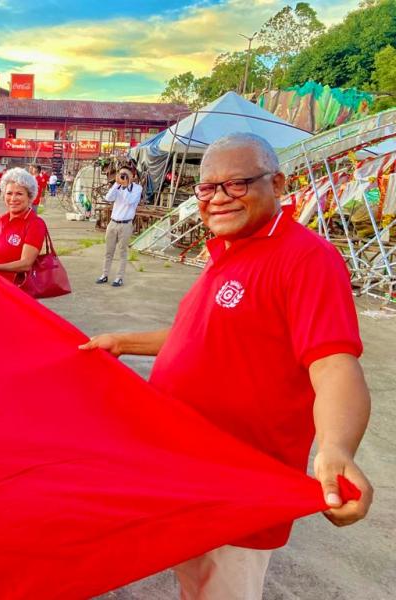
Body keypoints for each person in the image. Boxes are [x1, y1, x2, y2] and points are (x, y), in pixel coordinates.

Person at [80, 133, 373, 600]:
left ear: (277, 183)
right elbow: (202, 338)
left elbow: (334, 363)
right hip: (188, 470)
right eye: (207, 188)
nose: (218, 198)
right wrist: (123, 341)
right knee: (193, 580)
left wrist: (338, 448)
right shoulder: (229, 251)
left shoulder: (306, 259)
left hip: (238, 484)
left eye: (237, 184)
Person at [96, 167, 142, 287]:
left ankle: (119, 277)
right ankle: (104, 275)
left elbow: (130, 201)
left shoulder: (137, 188)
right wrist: (117, 184)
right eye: (121, 174)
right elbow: (108, 198)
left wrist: (126, 186)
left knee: (122, 252)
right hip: (113, 223)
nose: (123, 176)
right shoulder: (117, 186)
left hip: (126, 224)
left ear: (132, 176)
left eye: (125, 174)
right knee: (108, 251)